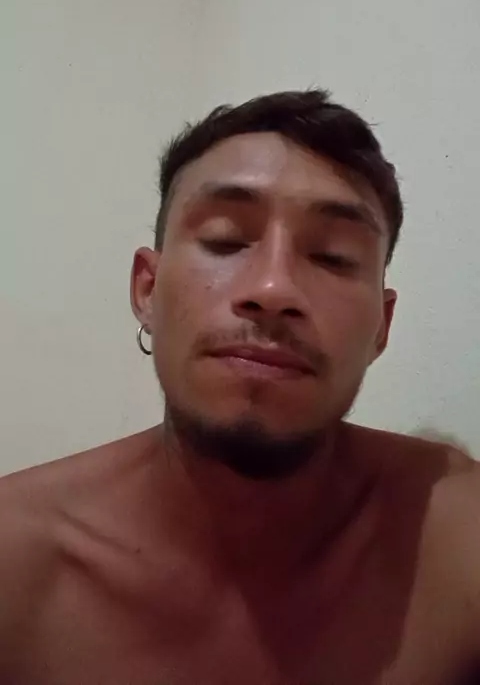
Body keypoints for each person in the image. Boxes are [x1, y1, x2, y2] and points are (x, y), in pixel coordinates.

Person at [0, 89, 478, 685]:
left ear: (381, 326)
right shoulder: (14, 563)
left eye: (332, 257)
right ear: (147, 290)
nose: (273, 289)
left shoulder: (457, 537)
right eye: (225, 240)